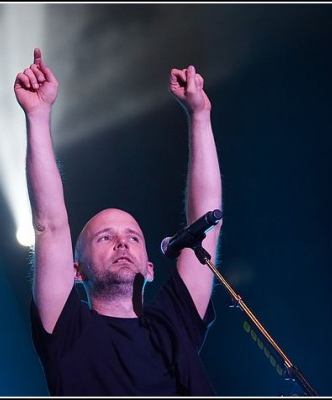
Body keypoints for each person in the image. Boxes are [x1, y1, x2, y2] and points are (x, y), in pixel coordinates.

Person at [14, 47, 223, 396]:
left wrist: (200, 115)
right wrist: (37, 116)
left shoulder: (174, 324)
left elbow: (206, 222)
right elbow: (49, 223)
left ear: (151, 267)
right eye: (104, 238)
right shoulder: (67, 331)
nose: (122, 243)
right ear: (75, 271)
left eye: (133, 238)